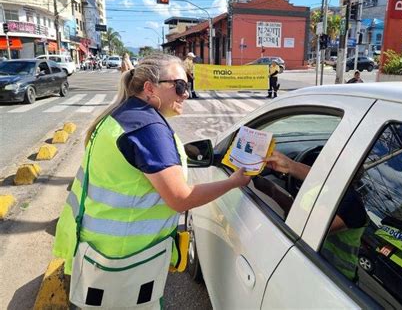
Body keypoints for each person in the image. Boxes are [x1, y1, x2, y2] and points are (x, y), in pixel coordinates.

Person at [53, 53, 251, 307]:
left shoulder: (120, 115)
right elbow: (181, 199)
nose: (186, 94)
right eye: (179, 86)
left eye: (188, 86)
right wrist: (234, 181)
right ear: (150, 88)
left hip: (98, 249)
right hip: (126, 259)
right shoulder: (147, 129)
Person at [265, 150, 367, 281]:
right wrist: (289, 165)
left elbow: (307, 227)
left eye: (327, 160)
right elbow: (310, 173)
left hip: (334, 278)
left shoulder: (351, 204)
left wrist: (272, 191)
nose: (320, 162)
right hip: (312, 262)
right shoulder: (333, 185)